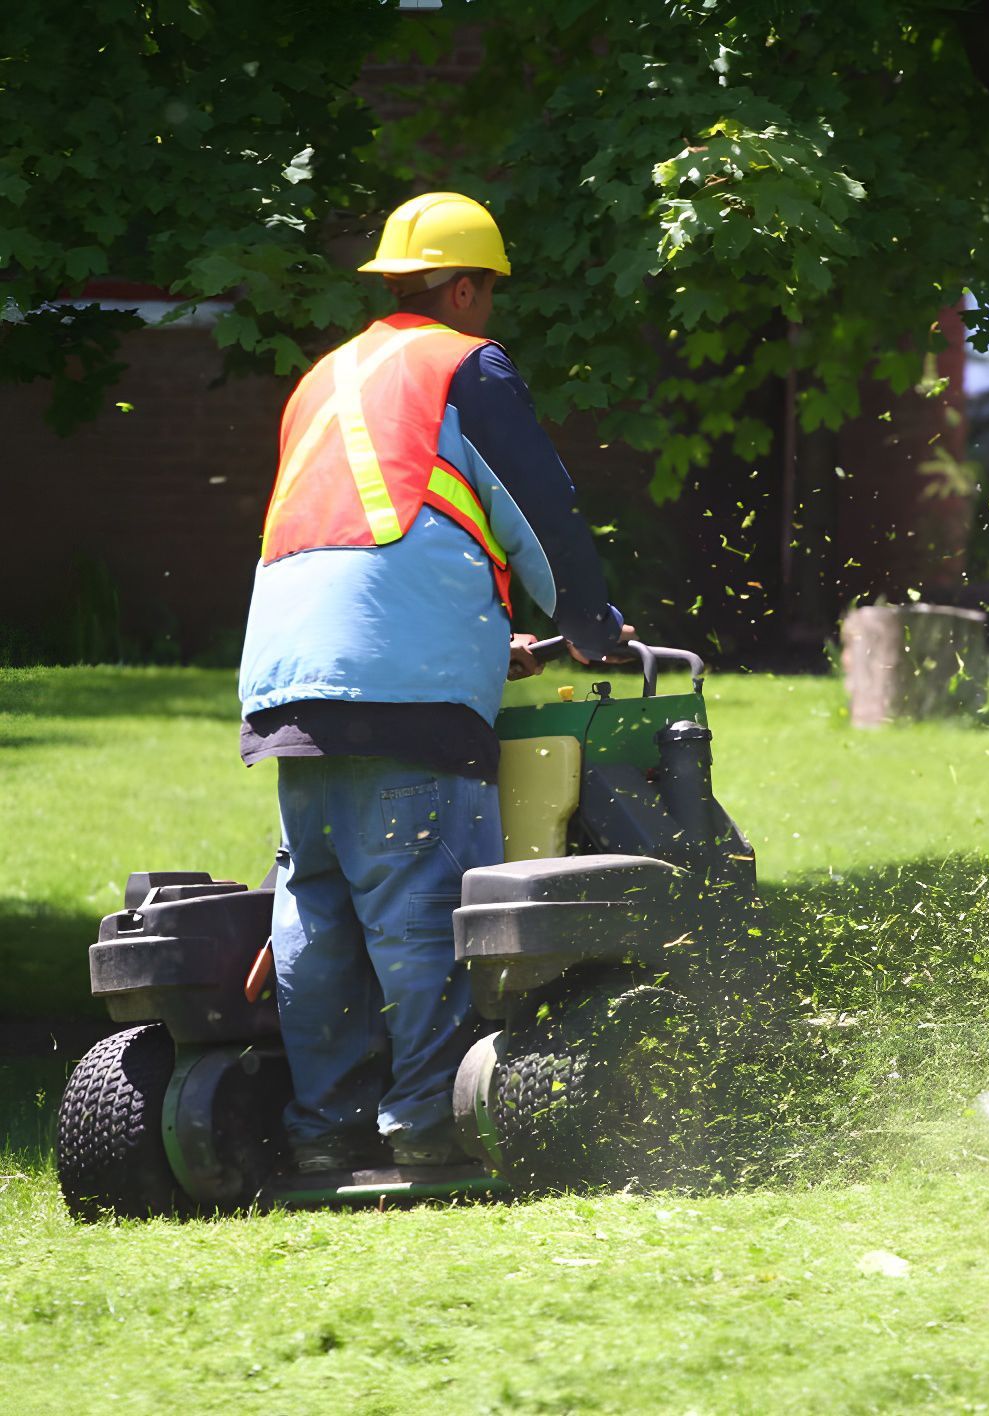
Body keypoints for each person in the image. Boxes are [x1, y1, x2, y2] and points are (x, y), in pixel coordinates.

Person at [237, 191, 627, 1172]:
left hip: (288, 681)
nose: (488, 309)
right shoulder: (463, 364)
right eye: (486, 290)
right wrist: (585, 622)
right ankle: (424, 1128)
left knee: (318, 919)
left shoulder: (324, 378)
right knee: (424, 912)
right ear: (462, 287)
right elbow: (536, 501)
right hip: (401, 693)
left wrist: (477, 634)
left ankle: (320, 1130)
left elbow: (383, 527)